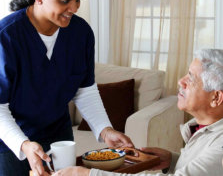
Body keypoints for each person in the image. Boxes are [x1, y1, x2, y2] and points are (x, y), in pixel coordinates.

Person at [0, 0, 133, 176]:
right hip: (1, 140)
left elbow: (84, 89)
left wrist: (105, 129)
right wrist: (24, 144)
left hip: (55, 133)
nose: (74, 8)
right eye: (65, 0)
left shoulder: (80, 33)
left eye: (78, 0)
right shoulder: (6, 38)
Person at [53, 49, 223, 176]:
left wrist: (89, 174)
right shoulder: (202, 128)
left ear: (216, 97)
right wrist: (172, 160)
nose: (180, 81)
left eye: (191, 78)